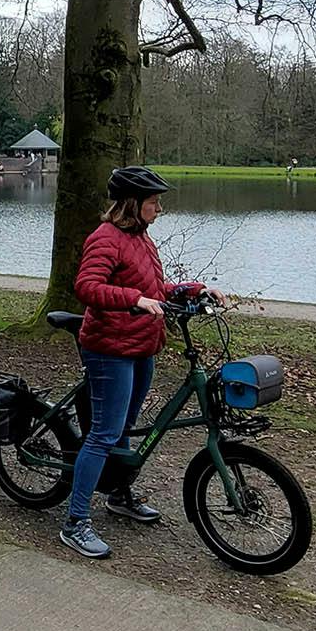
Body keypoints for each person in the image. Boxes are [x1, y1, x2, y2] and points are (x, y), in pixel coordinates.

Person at [60, 165, 217, 560]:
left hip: (141, 345)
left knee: (126, 426)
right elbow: (87, 287)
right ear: (133, 204)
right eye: (153, 202)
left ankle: (118, 493)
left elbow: (153, 290)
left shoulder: (141, 239)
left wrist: (193, 290)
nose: (159, 208)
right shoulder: (106, 238)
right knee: (104, 433)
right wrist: (132, 299)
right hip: (109, 347)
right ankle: (75, 522)